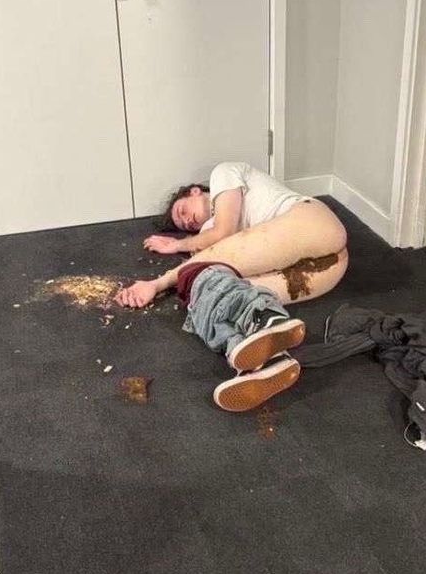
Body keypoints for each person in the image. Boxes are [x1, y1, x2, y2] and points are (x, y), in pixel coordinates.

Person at [114, 162, 349, 411]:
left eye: (183, 211)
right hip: (326, 270)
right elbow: (214, 267)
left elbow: (222, 234)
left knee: (200, 275)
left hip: (312, 224)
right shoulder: (206, 230)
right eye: (185, 227)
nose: (188, 221)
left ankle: (265, 321)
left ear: (194, 191)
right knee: (209, 296)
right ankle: (264, 357)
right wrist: (193, 247)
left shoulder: (223, 174)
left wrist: (162, 273)